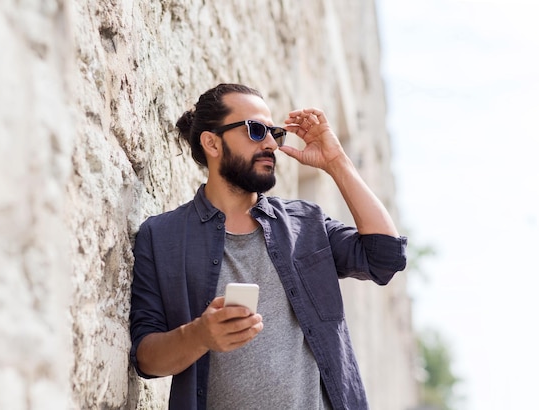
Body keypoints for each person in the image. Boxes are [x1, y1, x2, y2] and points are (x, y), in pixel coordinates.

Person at [130, 83, 407, 410]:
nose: (270, 144)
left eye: (274, 133)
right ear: (212, 143)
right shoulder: (162, 236)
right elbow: (146, 359)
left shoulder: (306, 223)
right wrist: (199, 335)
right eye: (256, 130)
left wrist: (337, 162)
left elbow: (385, 258)